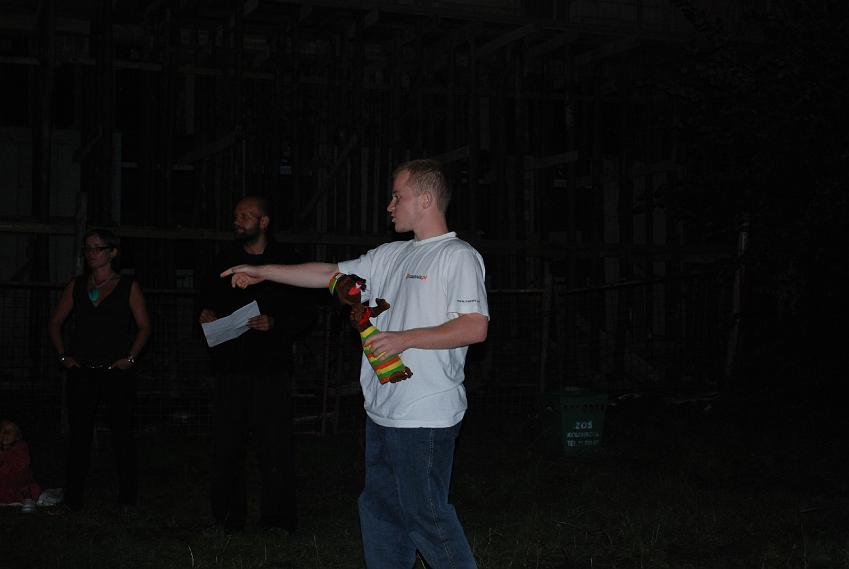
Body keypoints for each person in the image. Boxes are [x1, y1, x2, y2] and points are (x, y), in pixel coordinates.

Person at [222, 160, 489, 568]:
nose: (389, 206)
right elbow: (329, 273)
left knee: (426, 515)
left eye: (397, 196)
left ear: (425, 200)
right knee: (381, 514)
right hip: (382, 411)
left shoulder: (458, 256)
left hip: (426, 414)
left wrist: (404, 338)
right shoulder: (390, 255)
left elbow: (474, 327)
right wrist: (264, 272)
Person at [198, 196, 314, 532]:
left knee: (275, 445)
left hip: (270, 368)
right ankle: (227, 519)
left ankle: (277, 520)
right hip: (230, 367)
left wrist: (275, 323)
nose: (238, 220)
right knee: (227, 445)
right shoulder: (224, 260)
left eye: (246, 215)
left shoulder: (287, 260)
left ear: (264, 222)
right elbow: (205, 301)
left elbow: (307, 313)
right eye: (236, 215)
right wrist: (205, 314)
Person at [47, 228, 151, 511]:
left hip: (116, 372)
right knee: (79, 436)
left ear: (112, 252)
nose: (91, 253)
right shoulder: (77, 285)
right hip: (82, 371)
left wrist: (130, 358)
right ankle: (73, 498)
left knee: (122, 435)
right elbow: (55, 322)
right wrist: (64, 356)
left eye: (97, 248)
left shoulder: (128, 286)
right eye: (88, 249)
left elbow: (144, 326)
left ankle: (127, 498)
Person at [0, 420, 42, 511]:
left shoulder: (21, 447)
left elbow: (20, 466)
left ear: (17, 436)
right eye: (2, 430)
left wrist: (4, 457)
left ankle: (28, 501)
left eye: (10, 431)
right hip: (3, 484)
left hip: (17, 483)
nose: (5, 433)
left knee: (25, 483)